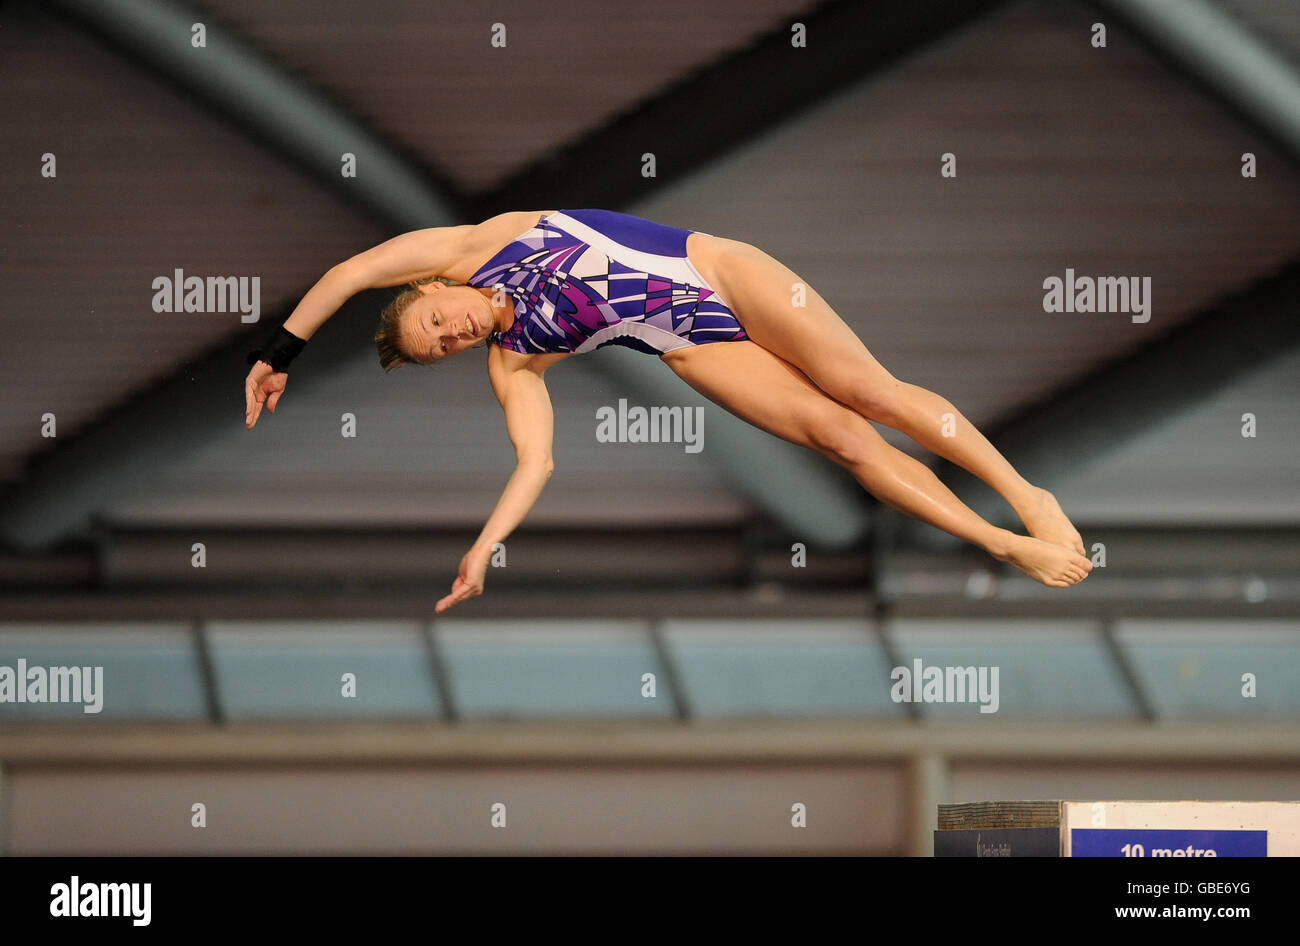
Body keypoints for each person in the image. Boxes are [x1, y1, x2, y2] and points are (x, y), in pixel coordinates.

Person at [244, 209, 1091, 612]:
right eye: (446, 349)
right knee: (841, 439)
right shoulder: (517, 361)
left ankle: (1026, 496)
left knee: (869, 392)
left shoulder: (473, 246)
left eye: (437, 322)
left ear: (430, 288)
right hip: (691, 345)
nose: (455, 332)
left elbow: (353, 270)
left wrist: (280, 352)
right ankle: (999, 541)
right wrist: (484, 545)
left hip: (720, 270)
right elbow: (535, 462)